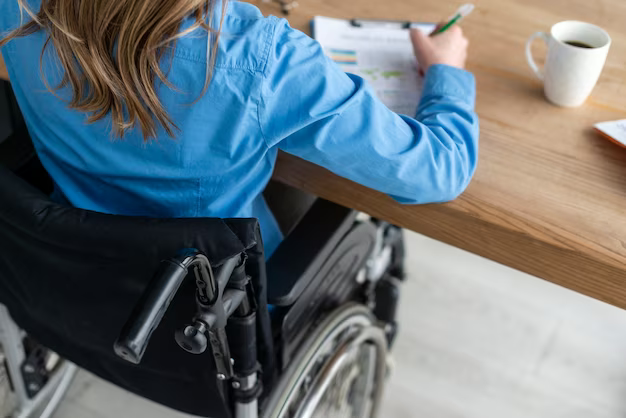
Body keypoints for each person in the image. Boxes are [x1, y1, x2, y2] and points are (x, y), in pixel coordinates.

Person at [0, 0, 478, 257]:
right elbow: (440, 171)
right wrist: (447, 74)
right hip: (212, 297)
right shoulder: (264, 60)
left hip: (71, 261)